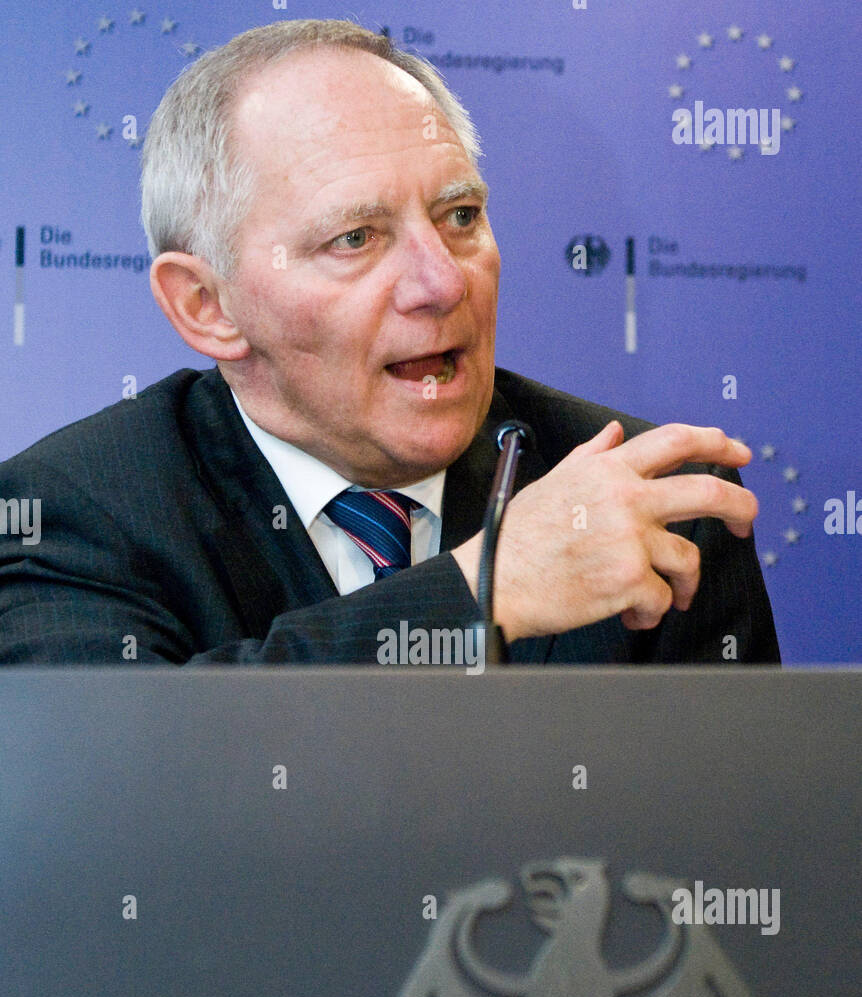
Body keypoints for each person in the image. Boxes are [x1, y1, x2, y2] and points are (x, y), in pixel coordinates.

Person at [0, 19, 779, 665]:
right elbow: (118, 786)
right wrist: (480, 593)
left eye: (460, 217)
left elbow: (728, 835)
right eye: (355, 237)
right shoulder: (72, 515)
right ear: (209, 306)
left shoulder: (648, 502)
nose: (441, 283)